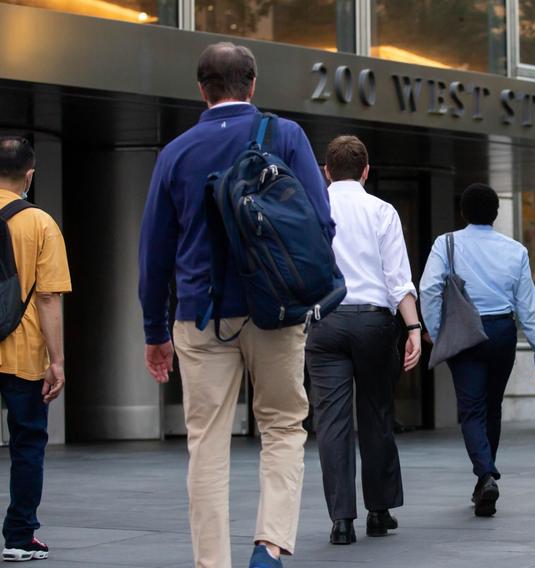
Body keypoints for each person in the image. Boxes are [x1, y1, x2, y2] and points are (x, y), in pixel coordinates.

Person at [138, 43, 333, 568]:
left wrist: (155, 331)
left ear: (201, 89)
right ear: (252, 84)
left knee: (206, 443)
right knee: (283, 426)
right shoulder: (286, 136)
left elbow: (155, 251)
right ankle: (269, 545)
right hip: (277, 311)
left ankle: (212, 563)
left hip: (200, 314)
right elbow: (321, 226)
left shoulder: (175, 152)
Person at [305, 135, 421, 545]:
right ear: (366, 170)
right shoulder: (382, 211)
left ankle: (341, 521)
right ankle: (379, 510)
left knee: (331, 423)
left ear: (326, 170)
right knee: (376, 413)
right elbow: (397, 278)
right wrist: (413, 329)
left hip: (325, 322)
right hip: (374, 323)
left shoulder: (313, 207)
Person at [419, 183, 535, 518]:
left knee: (471, 410)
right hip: (503, 332)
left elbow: (429, 287)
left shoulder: (446, 243)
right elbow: (529, 306)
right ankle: (485, 478)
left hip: (465, 333)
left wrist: (436, 331)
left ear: (462, 212)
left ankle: (485, 474)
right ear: (496, 213)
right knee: (492, 408)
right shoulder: (515, 250)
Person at [0, 137, 70, 562]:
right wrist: (57, 360)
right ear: (29, 175)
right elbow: (48, 298)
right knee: (27, 443)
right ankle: (19, 537)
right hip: (23, 352)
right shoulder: (40, 222)